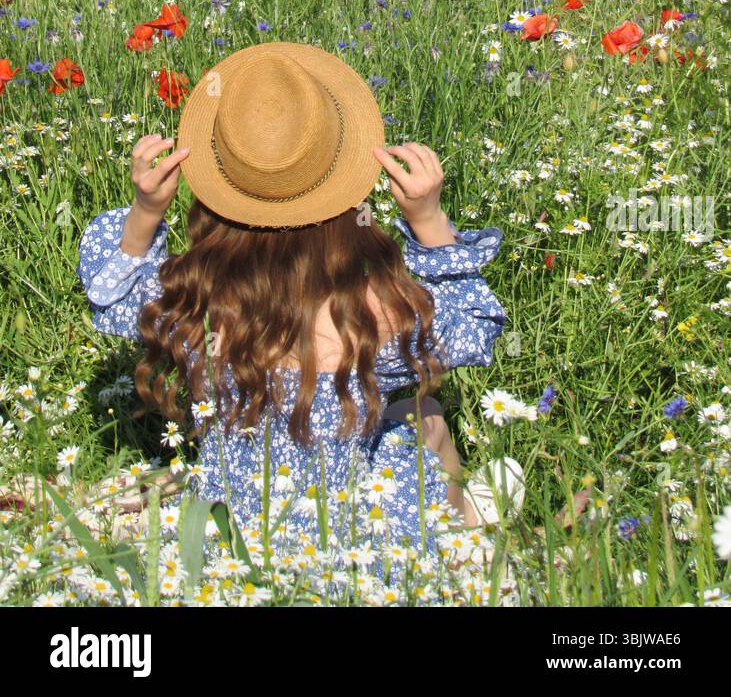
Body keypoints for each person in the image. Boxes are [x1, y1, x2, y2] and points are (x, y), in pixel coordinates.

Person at [77, 41, 511, 578]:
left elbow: (111, 294)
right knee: (427, 417)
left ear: (219, 188)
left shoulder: (194, 309)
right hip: (353, 543)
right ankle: (472, 523)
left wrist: (146, 212)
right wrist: (428, 221)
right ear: (343, 190)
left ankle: (472, 514)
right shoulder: (374, 313)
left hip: (227, 542)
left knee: (411, 420)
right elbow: (473, 330)